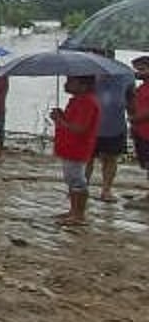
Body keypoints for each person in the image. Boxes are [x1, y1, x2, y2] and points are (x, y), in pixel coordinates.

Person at [51, 75, 100, 226]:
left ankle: (79, 214)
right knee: (71, 179)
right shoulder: (77, 101)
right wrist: (61, 117)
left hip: (78, 147)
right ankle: (73, 211)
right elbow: (72, 122)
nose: (67, 85)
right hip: (69, 146)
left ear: (83, 85)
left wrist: (60, 121)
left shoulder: (87, 102)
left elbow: (80, 128)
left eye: (71, 82)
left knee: (77, 180)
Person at [87, 52, 135, 203]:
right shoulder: (86, 72)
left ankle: (106, 190)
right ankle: (82, 188)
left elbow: (131, 97)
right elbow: (74, 91)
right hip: (90, 124)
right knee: (86, 159)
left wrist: (134, 120)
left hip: (115, 123)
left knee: (111, 158)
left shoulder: (125, 73)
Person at [128, 56, 149, 204]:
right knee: (145, 163)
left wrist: (136, 118)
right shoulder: (140, 88)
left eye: (142, 69)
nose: (138, 73)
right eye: (137, 70)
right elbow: (133, 108)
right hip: (140, 131)